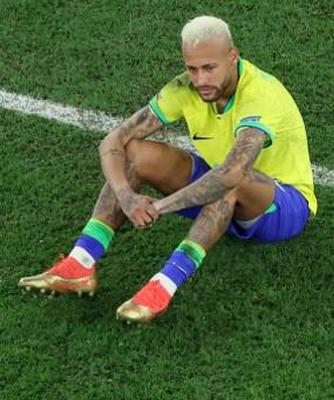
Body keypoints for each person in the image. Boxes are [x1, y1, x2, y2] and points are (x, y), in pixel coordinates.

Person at [18, 15, 316, 324]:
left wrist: (160, 207)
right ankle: (81, 262)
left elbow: (230, 173)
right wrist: (127, 197)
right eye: (192, 68)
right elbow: (113, 142)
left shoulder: (261, 94)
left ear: (232, 56)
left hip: (282, 207)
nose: (200, 80)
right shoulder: (186, 88)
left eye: (209, 68)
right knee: (136, 152)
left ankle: (162, 286)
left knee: (231, 178)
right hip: (223, 197)